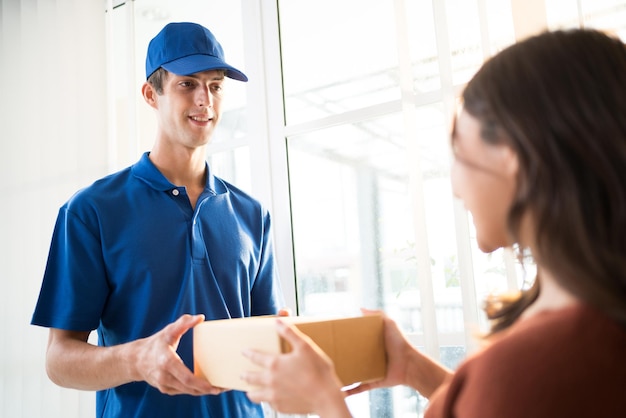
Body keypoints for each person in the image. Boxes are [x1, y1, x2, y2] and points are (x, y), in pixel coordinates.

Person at [241, 28, 626, 417]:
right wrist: (413, 368)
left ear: (514, 154)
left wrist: (325, 404)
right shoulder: (592, 331)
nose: (457, 188)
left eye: (459, 153)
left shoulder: (531, 367)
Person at [31, 22, 285, 418]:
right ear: (152, 94)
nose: (206, 100)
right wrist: (136, 360)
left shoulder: (253, 215)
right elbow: (59, 361)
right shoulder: (91, 211)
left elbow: (270, 342)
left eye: (216, 86)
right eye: (188, 84)